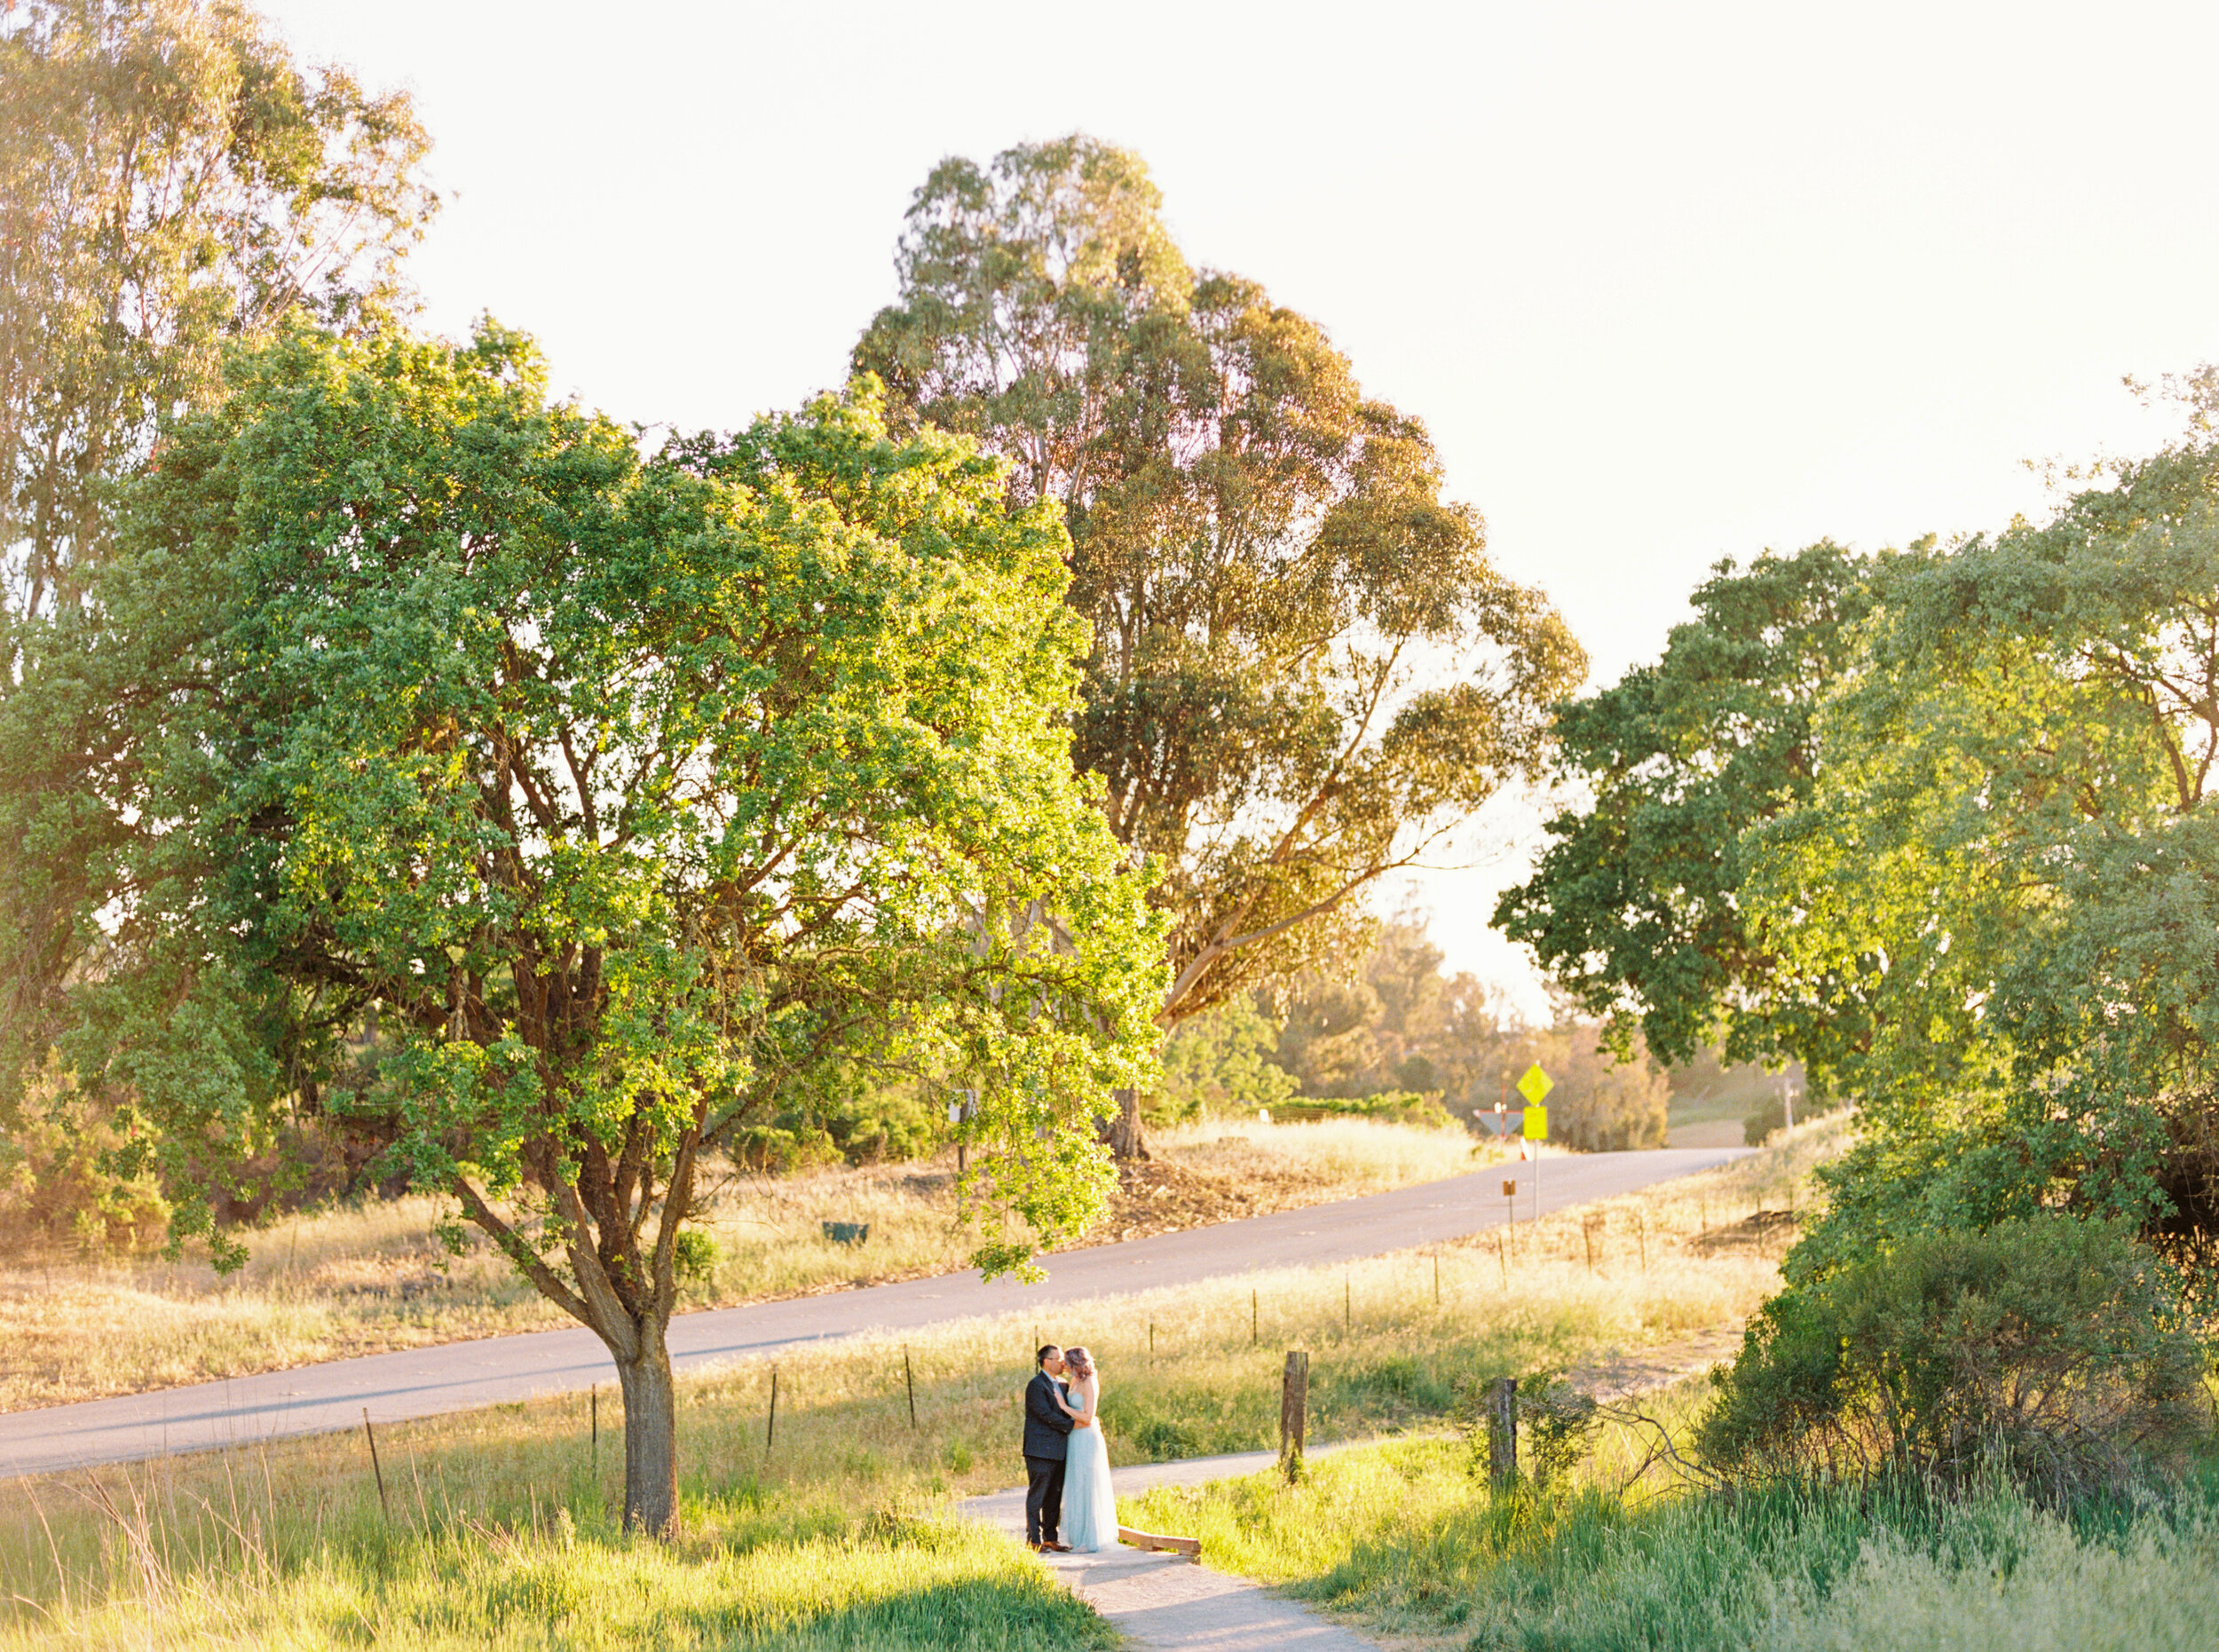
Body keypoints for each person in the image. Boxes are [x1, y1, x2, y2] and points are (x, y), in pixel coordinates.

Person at [1054, 1344, 1117, 1553]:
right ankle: (1077, 1536)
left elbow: (1088, 1417)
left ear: (1076, 1363)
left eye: (1068, 1363)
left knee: (1088, 1484)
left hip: (1087, 1438)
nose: (1064, 1366)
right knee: (1076, 1484)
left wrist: (1064, 1407)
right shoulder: (1074, 1380)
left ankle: (1090, 1540)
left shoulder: (1089, 1381)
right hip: (1075, 1438)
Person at [1023, 1344, 1074, 1552]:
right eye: (1058, 1358)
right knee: (1038, 1494)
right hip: (1040, 1450)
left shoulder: (1063, 1384)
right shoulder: (1036, 1385)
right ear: (1046, 1361)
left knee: (1055, 1495)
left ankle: (1050, 1538)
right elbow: (1044, 1414)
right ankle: (1033, 1539)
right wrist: (1071, 1425)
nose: (1063, 1362)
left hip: (1059, 1449)